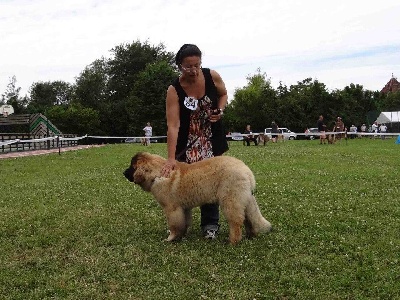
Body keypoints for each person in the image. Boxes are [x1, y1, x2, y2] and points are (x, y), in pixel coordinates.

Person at [160, 44, 229, 240]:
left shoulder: (211, 76)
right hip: (188, 141)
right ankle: (182, 225)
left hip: (211, 138)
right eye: (188, 67)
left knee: (211, 181)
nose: (193, 70)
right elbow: (173, 125)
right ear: (179, 66)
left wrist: (220, 111)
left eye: (197, 65)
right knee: (188, 185)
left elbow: (223, 94)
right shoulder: (174, 90)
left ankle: (210, 225)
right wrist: (171, 158)